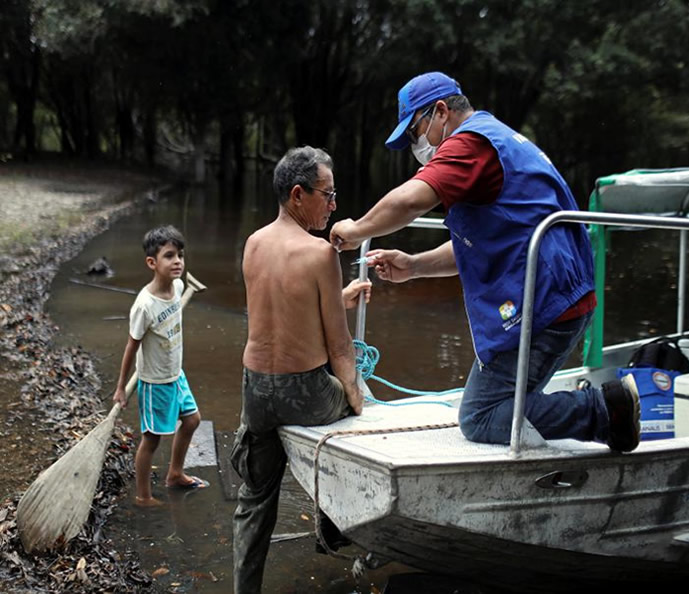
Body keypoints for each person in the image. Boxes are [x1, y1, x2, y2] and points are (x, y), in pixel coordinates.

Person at [330, 71, 640, 453]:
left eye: (415, 132)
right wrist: (414, 265)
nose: (417, 145)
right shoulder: (493, 138)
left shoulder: (469, 144)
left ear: (440, 111)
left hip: (549, 301)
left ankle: (606, 410)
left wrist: (357, 229)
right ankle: (599, 408)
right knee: (491, 404)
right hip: (557, 294)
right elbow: (477, 243)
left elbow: (411, 200)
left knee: (480, 415)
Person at [231, 146, 371, 594]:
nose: (333, 205)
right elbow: (340, 345)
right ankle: (334, 525)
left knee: (254, 501)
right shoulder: (320, 254)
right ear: (297, 194)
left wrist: (337, 296)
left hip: (255, 390)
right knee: (353, 403)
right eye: (327, 195)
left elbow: (279, 311)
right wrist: (357, 395)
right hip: (305, 394)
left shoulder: (253, 243)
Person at [112, 225, 208, 507]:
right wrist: (120, 387)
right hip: (154, 382)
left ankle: (175, 474)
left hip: (176, 374)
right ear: (152, 263)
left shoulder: (178, 287)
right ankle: (143, 496)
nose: (177, 261)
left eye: (179, 255)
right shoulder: (144, 306)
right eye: (169, 256)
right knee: (151, 440)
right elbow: (132, 346)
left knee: (192, 420)